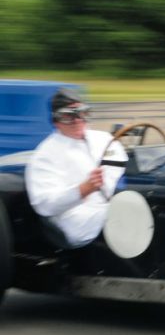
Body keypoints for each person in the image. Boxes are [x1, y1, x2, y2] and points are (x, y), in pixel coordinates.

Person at [25, 88, 127, 248]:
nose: (78, 120)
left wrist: (110, 184)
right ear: (56, 121)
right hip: (74, 220)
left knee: (142, 206)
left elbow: (119, 163)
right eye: (68, 116)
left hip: (106, 206)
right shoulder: (45, 155)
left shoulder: (103, 139)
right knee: (129, 216)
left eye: (82, 113)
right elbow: (44, 205)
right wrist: (82, 190)